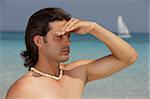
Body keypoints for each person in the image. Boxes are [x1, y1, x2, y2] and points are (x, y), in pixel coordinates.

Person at [5, 7, 138, 99]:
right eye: (59, 37)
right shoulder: (24, 88)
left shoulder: (76, 73)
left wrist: (93, 28)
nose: (67, 42)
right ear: (39, 41)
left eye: (68, 36)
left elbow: (128, 57)